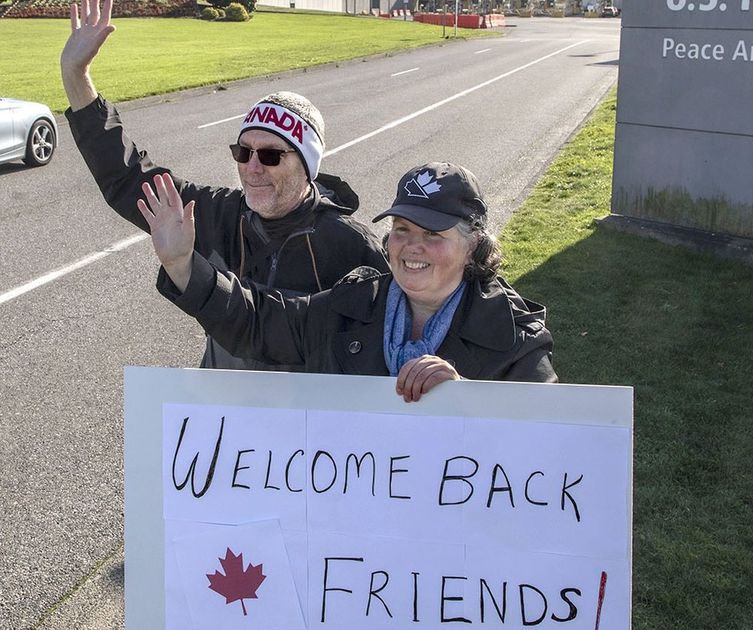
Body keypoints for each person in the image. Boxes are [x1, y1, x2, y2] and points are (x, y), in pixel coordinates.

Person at [59, 0, 388, 369]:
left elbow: (394, 339)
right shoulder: (217, 214)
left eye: (270, 156)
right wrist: (75, 74)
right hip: (225, 417)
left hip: (305, 421)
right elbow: (127, 177)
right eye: (242, 152)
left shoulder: (351, 245)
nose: (252, 168)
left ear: (307, 165)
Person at [140, 162, 557, 402]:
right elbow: (257, 320)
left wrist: (466, 400)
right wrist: (181, 264)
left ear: (474, 246)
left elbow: (552, 454)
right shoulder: (352, 304)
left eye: (433, 235)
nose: (412, 247)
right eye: (402, 229)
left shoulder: (514, 336)